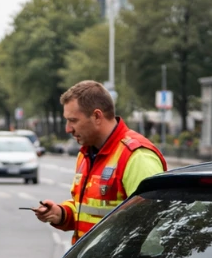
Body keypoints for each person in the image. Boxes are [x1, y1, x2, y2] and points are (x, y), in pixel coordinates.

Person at [34, 80, 166, 243]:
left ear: (97, 116)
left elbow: (151, 223)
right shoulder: (86, 153)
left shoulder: (137, 156)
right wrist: (61, 214)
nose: (68, 129)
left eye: (73, 120)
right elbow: (90, 211)